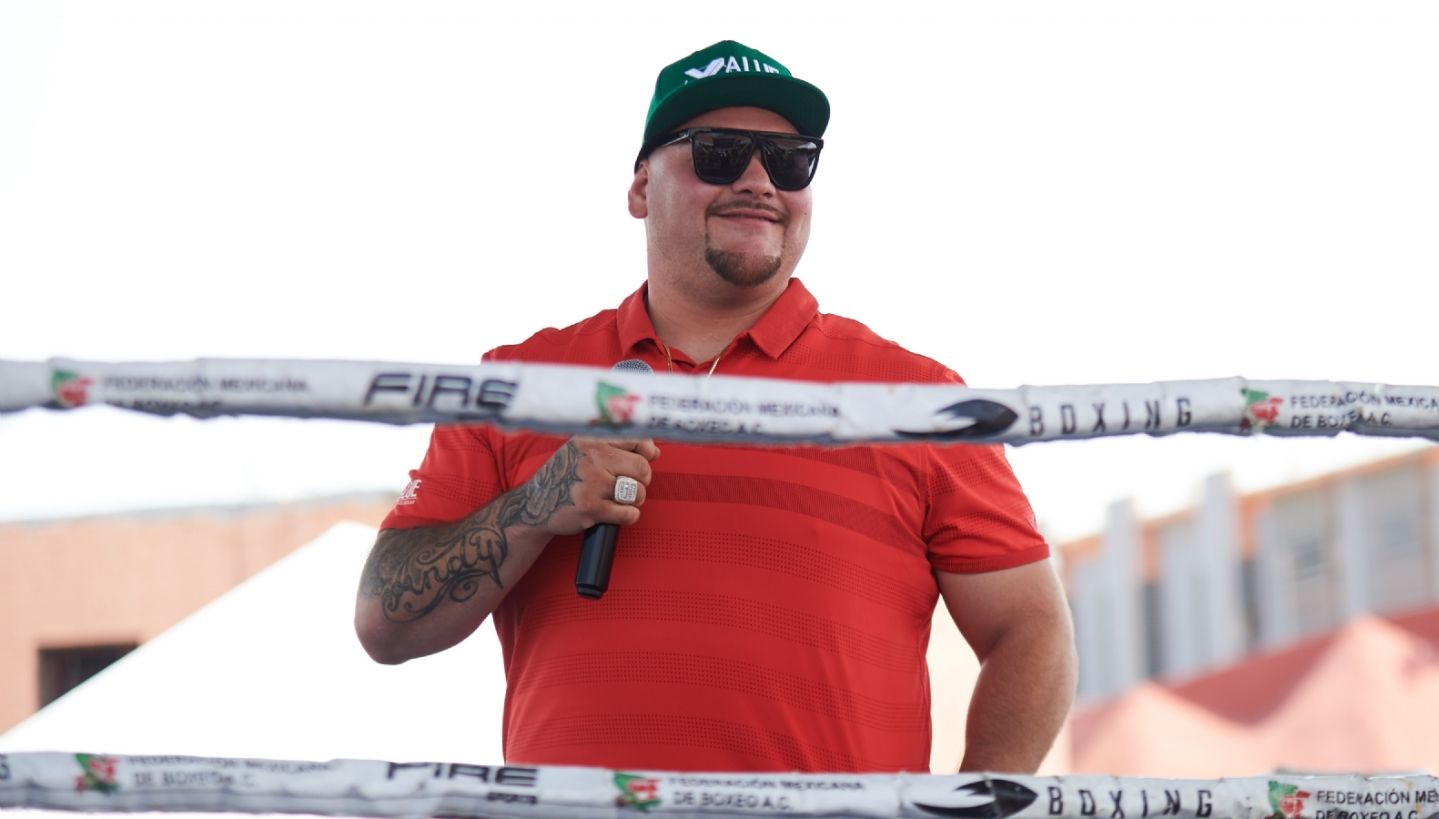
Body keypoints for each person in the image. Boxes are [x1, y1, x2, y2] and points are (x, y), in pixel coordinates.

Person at [354, 40, 1076, 774]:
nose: (759, 181)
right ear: (641, 186)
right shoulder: (519, 382)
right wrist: (536, 506)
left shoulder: (918, 398)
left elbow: (1032, 630)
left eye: (790, 159)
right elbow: (385, 623)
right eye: (719, 152)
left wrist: (973, 808)